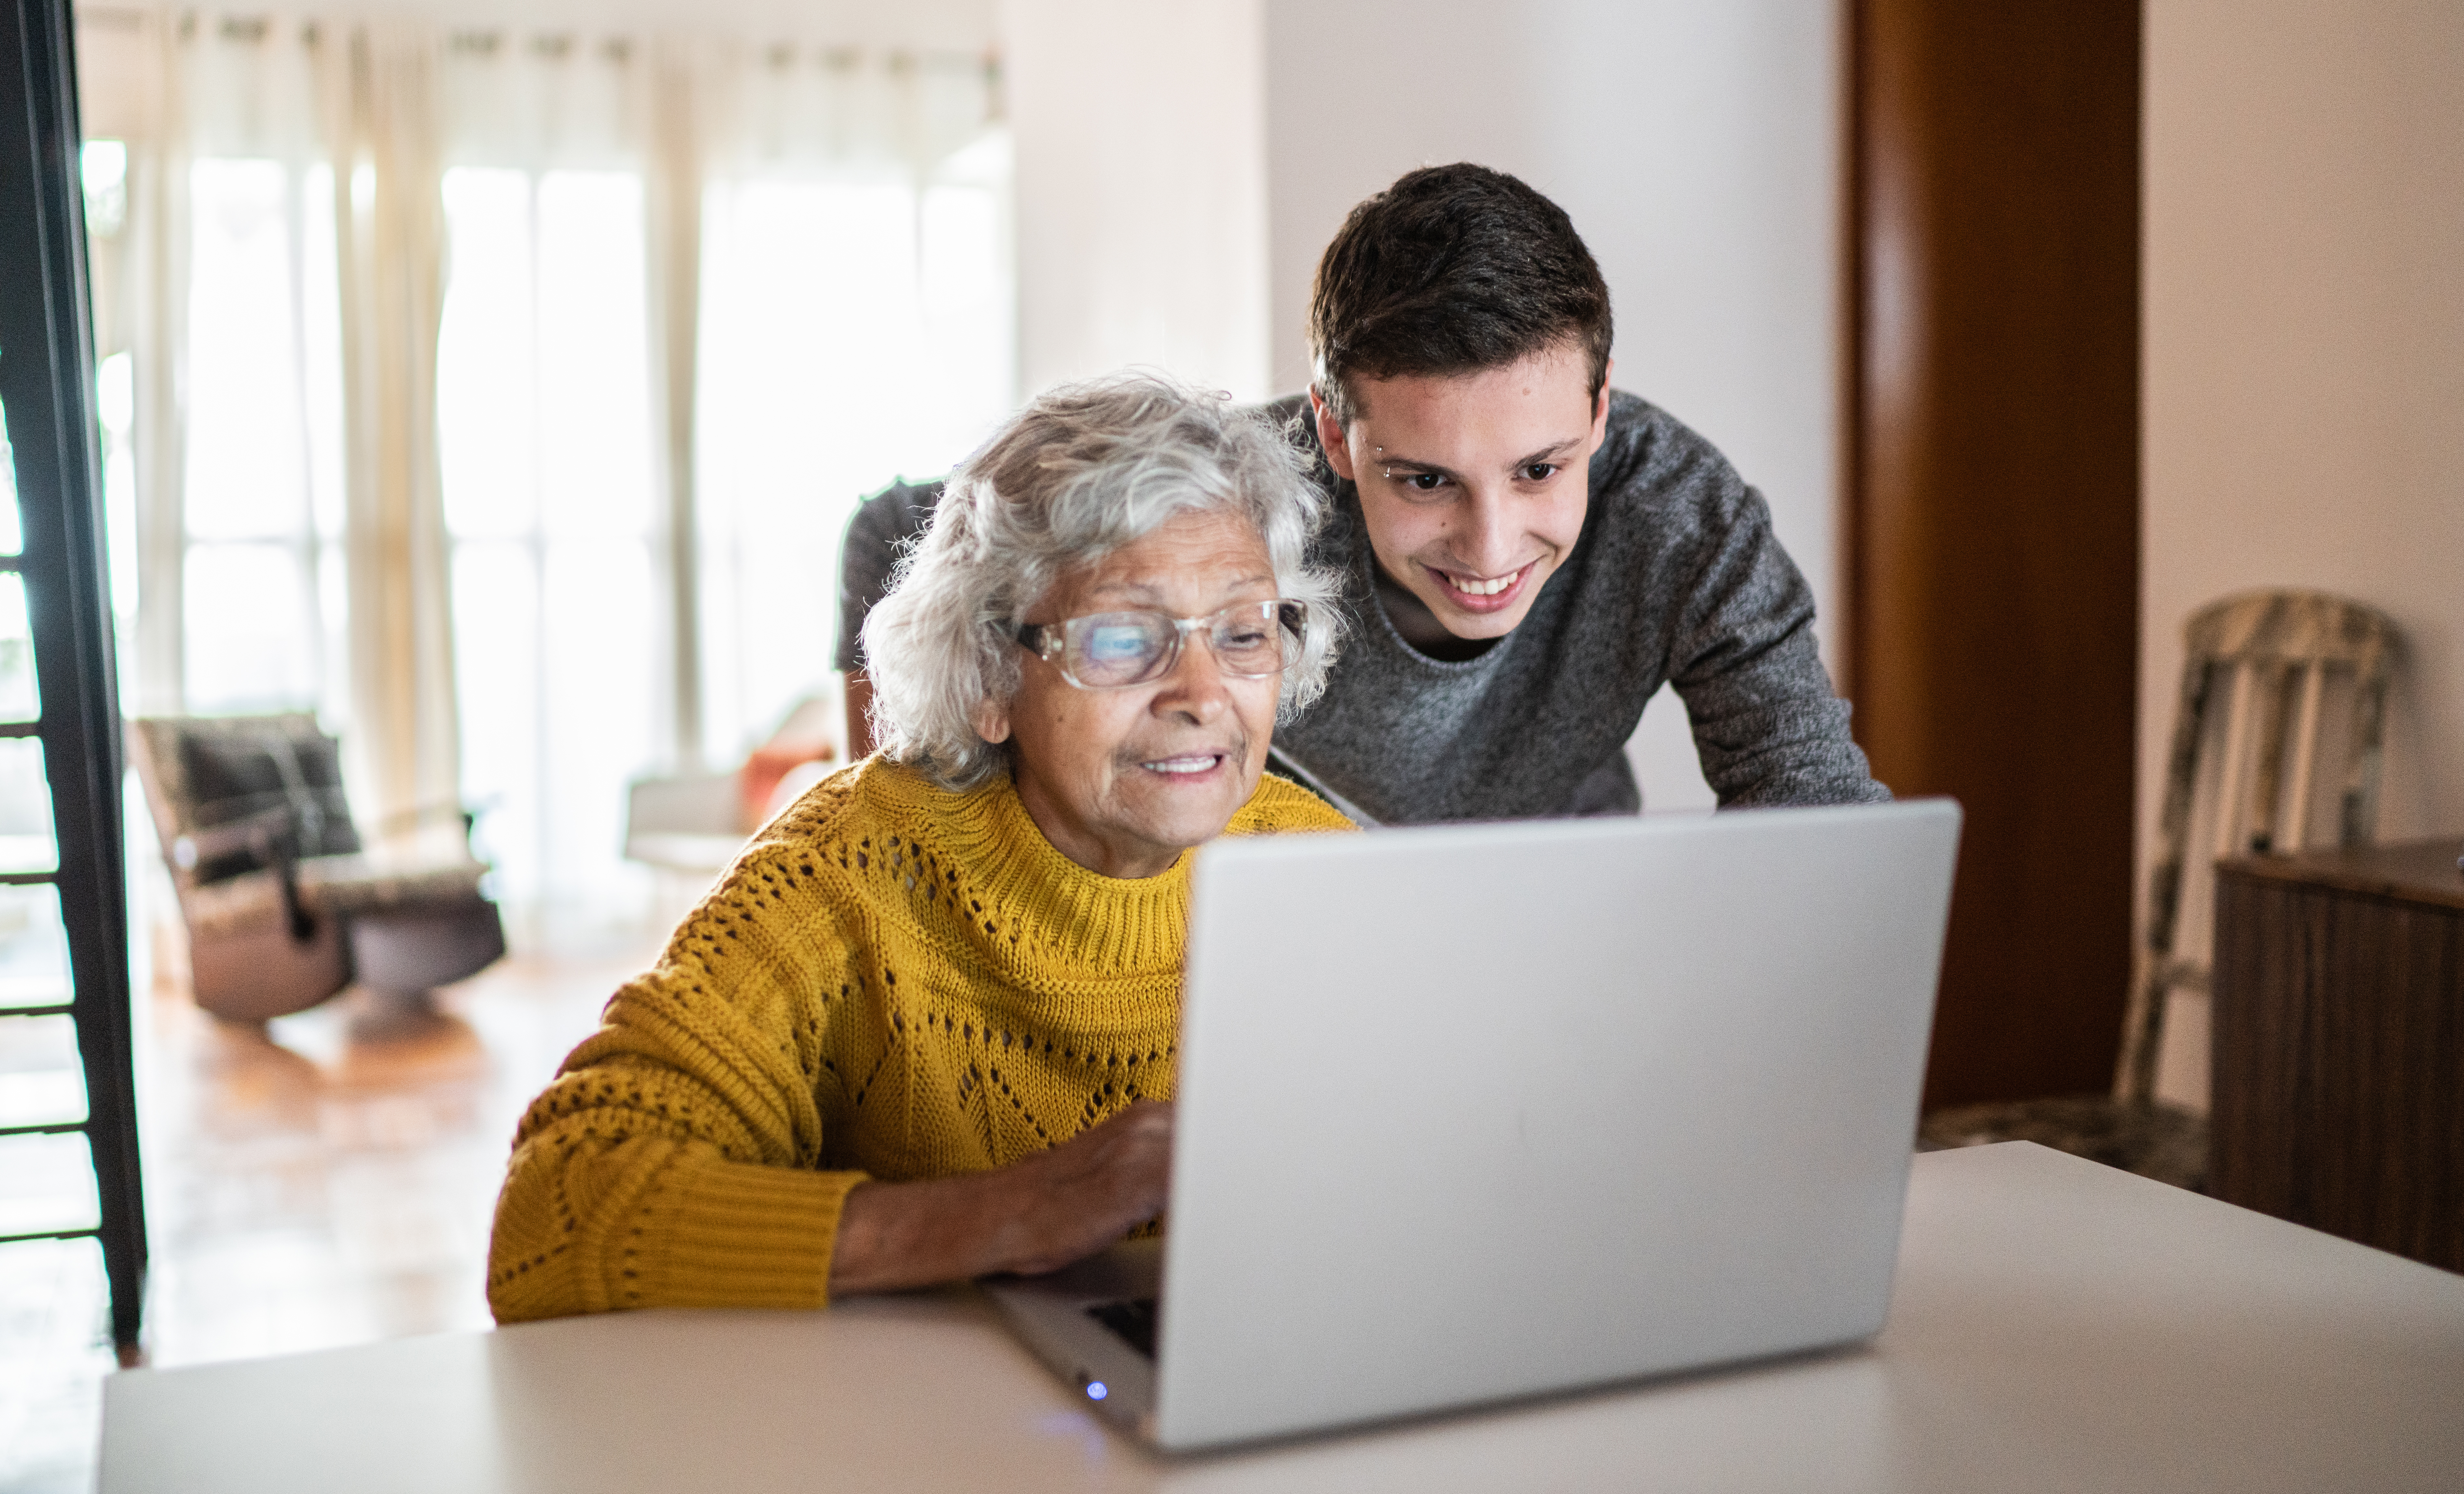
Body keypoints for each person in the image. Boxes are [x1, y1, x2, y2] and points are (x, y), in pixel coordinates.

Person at [487, 374, 1351, 1320]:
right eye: (1120, 636)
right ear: (988, 677)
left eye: (1241, 631)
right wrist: (1007, 1216)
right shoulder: (847, 871)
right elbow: (555, 1213)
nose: (1201, 689)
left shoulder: (1330, 874)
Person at [838, 163, 1886, 823]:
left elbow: (1820, 819)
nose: (1490, 546)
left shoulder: (1688, 523)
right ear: (1335, 432)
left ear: (1601, 411)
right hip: (1292, 898)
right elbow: (896, 528)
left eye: (1541, 469)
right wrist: (902, 831)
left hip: (1553, 891)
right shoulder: (1240, 491)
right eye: (1426, 480)